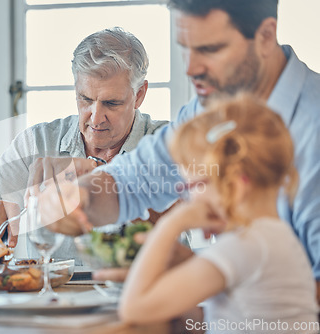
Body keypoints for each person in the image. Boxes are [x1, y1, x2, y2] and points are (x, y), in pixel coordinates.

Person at [37, 0, 320, 303]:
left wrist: (206, 276)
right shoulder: (206, 110)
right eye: (186, 47)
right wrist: (79, 196)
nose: (191, 68)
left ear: (265, 36)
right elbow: (132, 182)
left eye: (209, 49)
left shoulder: (312, 128)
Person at [0, 28, 168, 257]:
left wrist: (96, 178)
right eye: (85, 99)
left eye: (112, 103)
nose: (95, 117)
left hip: (143, 291)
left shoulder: (167, 141)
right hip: (52, 292)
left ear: (140, 94)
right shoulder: (37, 143)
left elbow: (187, 211)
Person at [119, 94, 319, 331]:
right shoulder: (274, 237)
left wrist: (169, 225)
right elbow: (216, 322)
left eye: (194, 186)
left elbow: (134, 309)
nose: (189, 198)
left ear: (235, 184)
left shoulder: (244, 245)